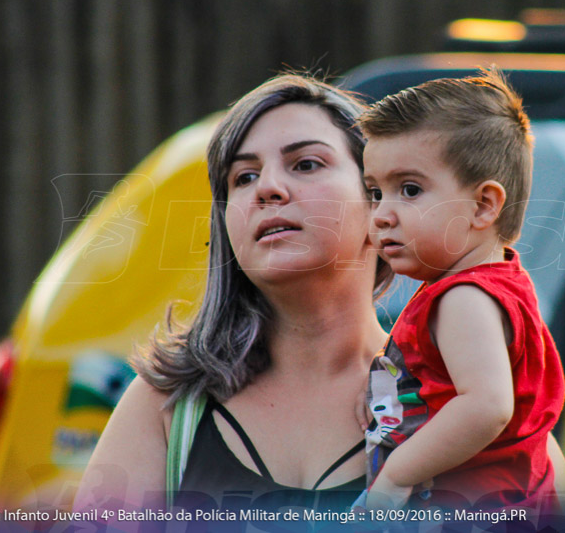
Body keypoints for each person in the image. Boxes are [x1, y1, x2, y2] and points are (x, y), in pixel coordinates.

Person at [74, 75, 393, 512]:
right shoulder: (169, 405)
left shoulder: (450, 393)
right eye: (243, 177)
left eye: (305, 164)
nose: (267, 188)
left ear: (378, 202)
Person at [356, 68, 565, 512]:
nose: (381, 215)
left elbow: (487, 407)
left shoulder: (462, 299)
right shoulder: (504, 283)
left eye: (409, 189)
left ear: (484, 205)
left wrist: (396, 474)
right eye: (375, 192)